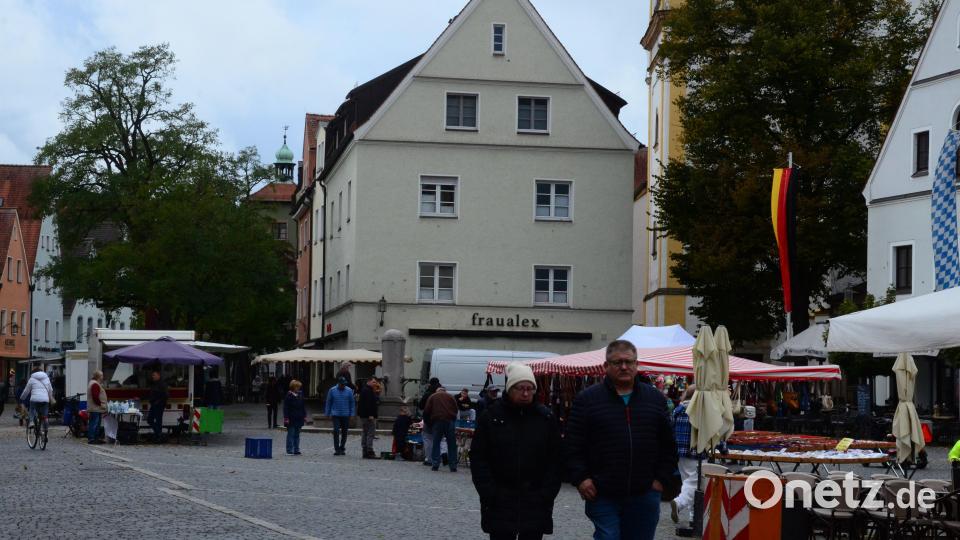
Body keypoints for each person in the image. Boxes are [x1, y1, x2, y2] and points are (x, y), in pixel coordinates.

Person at [564, 340, 679, 540]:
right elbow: (573, 445)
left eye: (629, 362)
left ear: (637, 365)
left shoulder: (655, 399)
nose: (624, 367)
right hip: (602, 491)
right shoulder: (587, 399)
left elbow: (668, 445)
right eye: (617, 362)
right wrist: (581, 478)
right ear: (606, 366)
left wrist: (661, 479)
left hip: (645, 491)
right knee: (608, 537)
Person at [471, 363, 562, 540]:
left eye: (530, 389)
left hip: (535, 499)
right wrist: (489, 491)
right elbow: (478, 457)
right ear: (510, 388)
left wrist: (547, 493)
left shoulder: (545, 418)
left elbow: (556, 458)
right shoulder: (491, 416)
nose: (526, 393)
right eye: (520, 388)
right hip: (500, 498)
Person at [670, 385, 698, 524]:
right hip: (695, 452)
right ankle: (680, 502)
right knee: (695, 483)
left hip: (679, 453)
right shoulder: (699, 411)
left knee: (687, 481)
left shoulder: (678, 409)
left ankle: (694, 516)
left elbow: (671, 429)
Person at [423, 385, 459, 472]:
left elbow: (427, 411)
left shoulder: (432, 396)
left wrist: (430, 423)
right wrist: (452, 419)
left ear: (437, 391)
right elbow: (456, 409)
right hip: (449, 421)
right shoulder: (451, 397)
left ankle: (435, 464)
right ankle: (453, 465)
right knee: (451, 444)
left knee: (436, 442)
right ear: (444, 391)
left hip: (437, 421)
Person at [324, 377, 355, 456]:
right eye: (342, 384)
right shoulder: (332, 390)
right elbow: (328, 402)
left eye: (344, 384)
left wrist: (352, 414)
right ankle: (337, 449)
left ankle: (342, 447)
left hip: (345, 414)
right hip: (335, 414)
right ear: (339, 383)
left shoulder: (349, 391)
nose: (343, 386)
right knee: (336, 431)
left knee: (345, 432)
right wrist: (327, 413)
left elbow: (352, 403)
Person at [20, 367, 55, 431]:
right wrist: (50, 397)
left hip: (34, 399)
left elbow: (26, 391)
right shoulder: (47, 378)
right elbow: (50, 390)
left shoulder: (31, 379)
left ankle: (31, 422)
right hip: (45, 400)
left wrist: (22, 397)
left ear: (34, 372)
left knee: (32, 409)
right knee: (44, 414)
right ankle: (46, 422)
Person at [418, 377, 441, 466]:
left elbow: (421, 406)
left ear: (430, 384)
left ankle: (429, 459)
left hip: (429, 419)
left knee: (427, 438)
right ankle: (438, 457)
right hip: (440, 419)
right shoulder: (443, 392)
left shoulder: (428, 393)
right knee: (439, 439)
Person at [358, 377, 381, 459]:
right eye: (374, 382)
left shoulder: (367, 390)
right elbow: (369, 404)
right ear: (369, 382)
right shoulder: (367, 391)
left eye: (375, 382)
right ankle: (369, 451)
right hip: (368, 416)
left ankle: (365, 450)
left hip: (364, 415)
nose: (375, 383)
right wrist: (371, 415)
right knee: (370, 433)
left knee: (365, 432)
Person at [283, 379, 307, 455]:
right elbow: (285, 408)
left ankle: (296, 449)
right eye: (297, 387)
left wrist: (304, 416)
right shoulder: (289, 396)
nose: (298, 388)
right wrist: (286, 418)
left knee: (297, 434)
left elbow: (303, 406)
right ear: (293, 387)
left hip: (299, 417)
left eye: (299, 387)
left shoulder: (300, 394)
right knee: (291, 434)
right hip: (291, 418)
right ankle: (290, 449)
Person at [87, 370, 108, 444]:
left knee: (96, 423)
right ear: (98, 376)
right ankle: (92, 438)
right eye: (101, 375)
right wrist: (101, 404)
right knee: (94, 423)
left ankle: (95, 438)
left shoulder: (94, 383)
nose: (103, 377)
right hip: (95, 408)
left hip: (96, 408)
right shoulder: (95, 384)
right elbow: (95, 397)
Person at [147, 370, 168, 442]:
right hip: (154, 404)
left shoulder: (162, 384)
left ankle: (158, 435)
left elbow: (165, 395)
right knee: (150, 419)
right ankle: (158, 434)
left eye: (154, 375)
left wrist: (158, 402)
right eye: (152, 375)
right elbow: (151, 394)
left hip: (159, 405)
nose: (153, 376)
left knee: (158, 420)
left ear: (158, 376)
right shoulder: (154, 384)